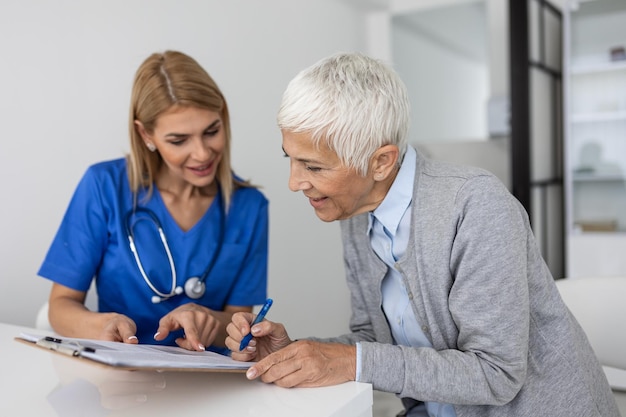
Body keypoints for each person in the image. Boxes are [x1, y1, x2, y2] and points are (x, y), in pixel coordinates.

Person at [225, 52, 619, 416]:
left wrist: (347, 361)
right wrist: (295, 354)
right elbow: (373, 337)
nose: (295, 182)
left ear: (381, 162)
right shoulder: (355, 211)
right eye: (290, 158)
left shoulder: (475, 205)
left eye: (313, 167)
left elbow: (496, 373)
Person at [39, 50, 268, 353]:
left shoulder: (249, 208)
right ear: (146, 134)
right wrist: (101, 326)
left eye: (212, 131)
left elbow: (240, 323)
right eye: (178, 140)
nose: (202, 153)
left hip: (206, 381)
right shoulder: (104, 186)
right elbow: (60, 306)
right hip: (121, 377)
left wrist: (208, 319)